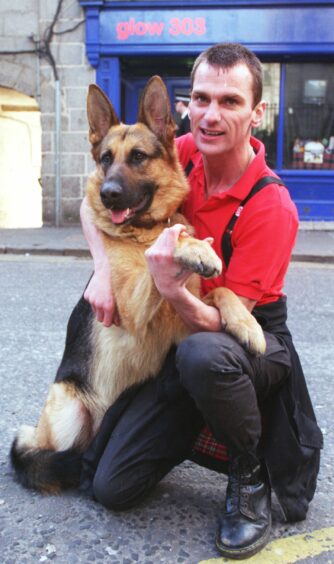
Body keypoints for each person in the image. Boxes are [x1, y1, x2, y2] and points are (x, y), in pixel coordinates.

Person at [79, 43, 322, 560]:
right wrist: (102, 267)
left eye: (230, 102)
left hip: (249, 341)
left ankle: (248, 473)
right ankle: (192, 431)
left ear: (257, 112)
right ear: (185, 109)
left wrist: (168, 288)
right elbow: (95, 194)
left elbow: (221, 324)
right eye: (202, 99)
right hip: (185, 337)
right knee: (110, 487)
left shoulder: (271, 205)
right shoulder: (179, 151)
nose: (212, 115)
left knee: (203, 356)